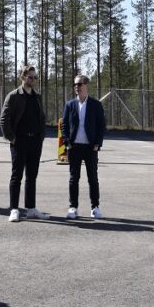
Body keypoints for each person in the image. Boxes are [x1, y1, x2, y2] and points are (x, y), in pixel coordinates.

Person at [1, 65, 49, 222]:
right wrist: (11, 137)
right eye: (30, 77)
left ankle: (31, 209)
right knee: (17, 176)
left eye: (35, 77)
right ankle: (14, 209)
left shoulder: (37, 96)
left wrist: (41, 136)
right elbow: (4, 119)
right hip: (19, 141)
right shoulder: (14, 96)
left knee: (32, 176)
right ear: (22, 77)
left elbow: (41, 117)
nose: (33, 80)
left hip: (35, 141)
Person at [61, 74, 106, 219]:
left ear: (86, 86)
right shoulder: (70, 105)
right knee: (74, 178)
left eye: (79, 84)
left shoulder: (96, 105)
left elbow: (101, 126)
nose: (76, 87)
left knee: (93, 178)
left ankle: (95, 207)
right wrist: (66, 142)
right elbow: (65, 125)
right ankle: (73, 207)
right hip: (74, 148)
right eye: (75, 85)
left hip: (90, 148)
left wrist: (97, 144)